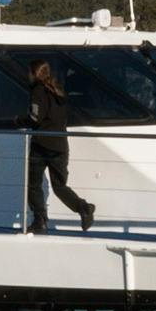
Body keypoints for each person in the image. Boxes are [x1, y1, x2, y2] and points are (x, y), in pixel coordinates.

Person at [23, 60, 96, 233]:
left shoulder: (38, 91)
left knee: (33, 184)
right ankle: (84, 208)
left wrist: (18, 120)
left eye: (29, 73)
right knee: (60, 186)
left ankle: (40, 221)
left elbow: (35, 118)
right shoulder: (58, 90)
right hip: (60, 145)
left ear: (34, 74)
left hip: (41, 145)